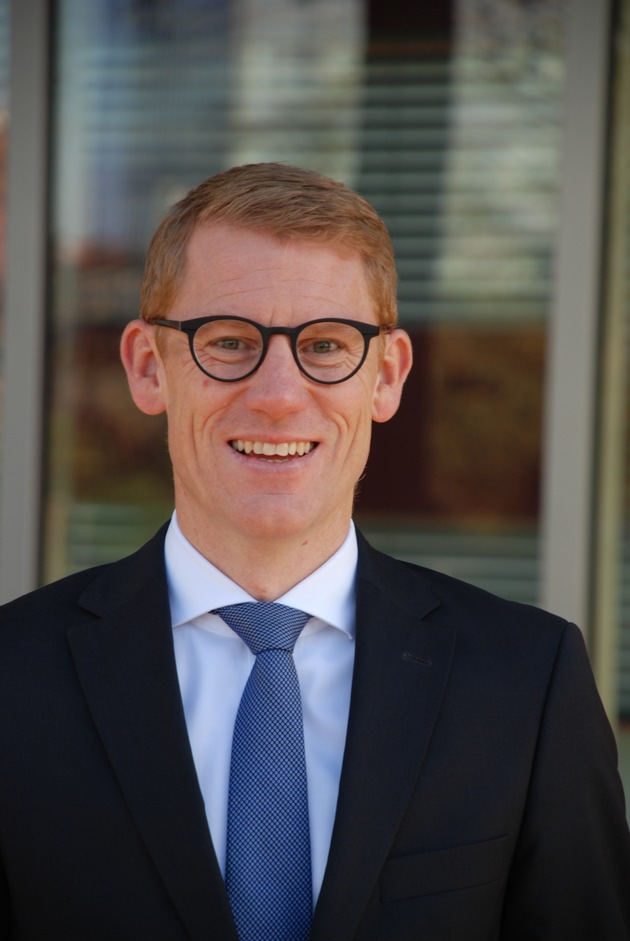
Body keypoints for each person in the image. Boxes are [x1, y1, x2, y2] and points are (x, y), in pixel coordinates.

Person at [0, 162, 629, 941]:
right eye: (229, 341)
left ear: (387, 375)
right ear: (147, 366)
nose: (277, 394)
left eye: (326, 344)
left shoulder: (527, 683)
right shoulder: (12, 677)